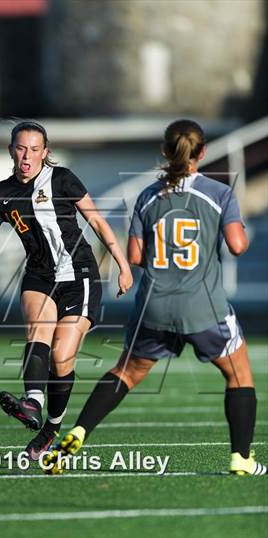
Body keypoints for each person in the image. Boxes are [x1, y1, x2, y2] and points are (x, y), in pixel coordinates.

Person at [43, 119, 267, 476]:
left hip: (154, 305)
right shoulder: (219, 192)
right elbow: (238, 245)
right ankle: (241, 458)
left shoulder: (148, 196)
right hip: (202, 305)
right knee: (240, 376)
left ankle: (79, 432)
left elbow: (134, 255)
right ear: (203, 152)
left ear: (165, 152)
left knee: (126, 373)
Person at [0, 121, 133, 460]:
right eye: (21, 148)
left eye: (34, 150)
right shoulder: (0, 193)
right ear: (11, 150)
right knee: (37, 331)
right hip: (39, 276)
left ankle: (51, 428)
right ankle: (33, 403)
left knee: (61, 357)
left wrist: (122, 265)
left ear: (45, 153)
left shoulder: (63, 179)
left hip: (78, 275)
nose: (27, 156)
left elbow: (96, 220)